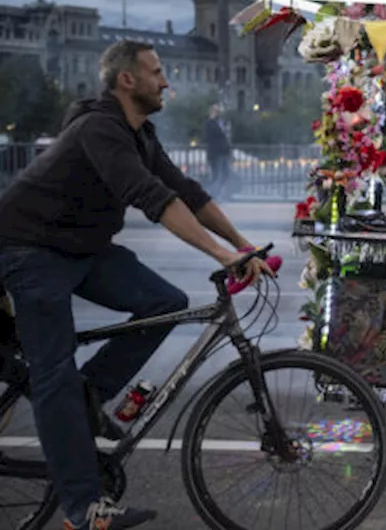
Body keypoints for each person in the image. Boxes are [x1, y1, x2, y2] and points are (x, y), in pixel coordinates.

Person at [0, 40, 274, 530]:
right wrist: (220, 256)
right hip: (29, 249)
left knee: (165, 302)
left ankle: (90, 395)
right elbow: (150, 197)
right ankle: (85, 509)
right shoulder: (100, 128)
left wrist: (241, 244)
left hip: (80, 249)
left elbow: (185, 192)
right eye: (156, 72)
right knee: (53, 374)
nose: (165, 80)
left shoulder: (139, 134)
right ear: (127, 80)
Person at [203, 103, 232, 200]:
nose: (218, 113)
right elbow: (208, 137)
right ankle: (211, 196)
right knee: (217, 175)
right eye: (216, 111)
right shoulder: (210, 123)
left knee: (225, 174)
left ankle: (214, 194)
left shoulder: (221, 122)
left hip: (223, 152)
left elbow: (225, 136)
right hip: (215, 153)